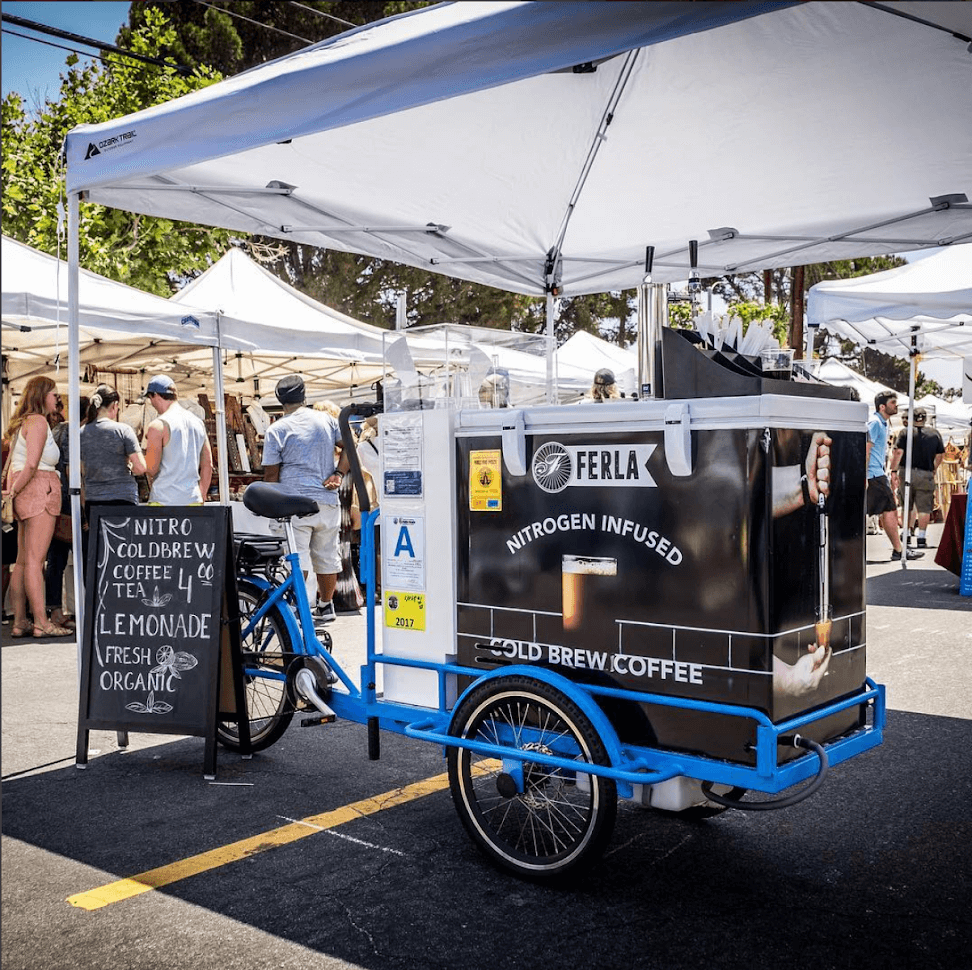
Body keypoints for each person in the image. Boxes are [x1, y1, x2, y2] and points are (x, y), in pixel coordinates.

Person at [261, 376, 349, 622]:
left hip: (292, 503)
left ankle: (297, 608)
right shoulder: (326, 421)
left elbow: (271, 474)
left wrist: (267, 502)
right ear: (304, 396)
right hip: (326, 500)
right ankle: (325, 605)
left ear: (279, 400)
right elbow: (350, 448)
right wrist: (338, 474)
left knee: (296, 560)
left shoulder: (277, 429)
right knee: (327, 557)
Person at [1, 376, 71, 637]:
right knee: (34, 561)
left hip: (26, 491)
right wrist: (15, 491)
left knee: (22, 561)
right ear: (42, 395)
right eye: (54, 394)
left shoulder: (22, 423)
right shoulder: (39, 422)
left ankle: (21, 621)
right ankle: (42, 622)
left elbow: (20, 464)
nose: (57, 399)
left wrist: (13, 492)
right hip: (39, 489)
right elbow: (31, 465)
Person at [80, 386, 147, 568]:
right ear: (115, 406)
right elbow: (141, 467)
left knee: (100, 556)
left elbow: (80, 472)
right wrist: (129, 466)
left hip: (94, 501)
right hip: (122, 499)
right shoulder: (123, 430)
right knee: (125, 553)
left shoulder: (81, 433)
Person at [44, 396, 89, 632]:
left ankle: (56, 612)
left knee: (56, 560)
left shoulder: (57, 429)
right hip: (69, 501)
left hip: (53, 500)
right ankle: (88, 611)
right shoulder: (74, 432)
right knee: (83, 558)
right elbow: (74, 474)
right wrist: (83, 510)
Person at [866, 390, 921, 561]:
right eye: (892, 403)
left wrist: (890, 471)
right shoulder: (875, 423)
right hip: (873, 474)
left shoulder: (883, 423)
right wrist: (864, 475)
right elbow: (866, 450)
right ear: (882, 406)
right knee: (889, 508)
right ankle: (899, 550)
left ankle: (899, 549)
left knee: (886, 508)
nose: (896, 406)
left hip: (876, 473)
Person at [143, 375, 212, 505]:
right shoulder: (197, 422)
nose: (151, 403)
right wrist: (202, 494)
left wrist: (136, 458)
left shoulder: (157, 426)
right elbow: (208, 464)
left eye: (150, 398)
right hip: (192, 499)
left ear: (156, 395)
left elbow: (151, 469)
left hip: (164, 500)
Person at [890, 407, 944, 548]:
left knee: (906, 504)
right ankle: (921, 538)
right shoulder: (934, 434)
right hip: (925, 472)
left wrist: (893, 471)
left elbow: (898, 452)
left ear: (912, 419)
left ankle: (907, 534)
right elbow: (940, 455)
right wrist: (933, 468)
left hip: (906, 471)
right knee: (924, 507)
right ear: (925, 419)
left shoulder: (904, 433)